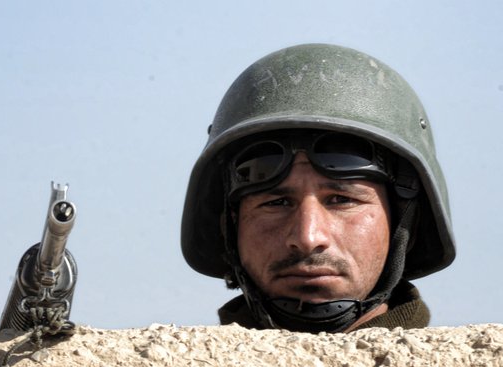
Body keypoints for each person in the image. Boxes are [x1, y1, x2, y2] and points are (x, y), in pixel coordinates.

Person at [180, 44, 455, 332]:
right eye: (276, 203)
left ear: (405, 221)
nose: (308, 237)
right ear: (229, 228)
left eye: (340, 199)